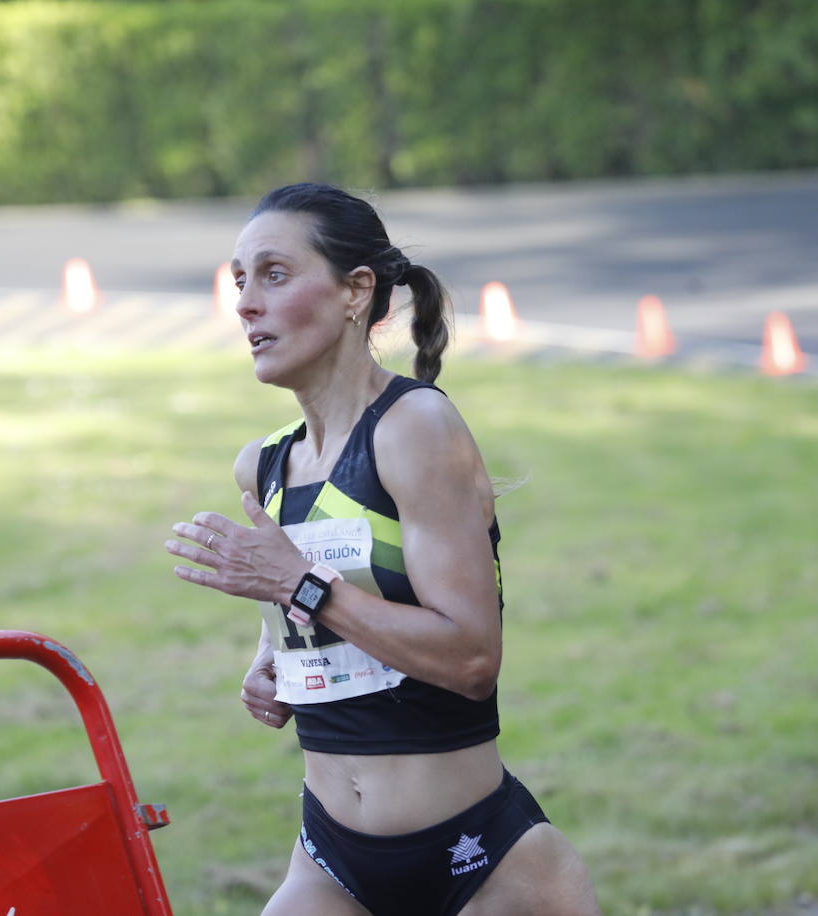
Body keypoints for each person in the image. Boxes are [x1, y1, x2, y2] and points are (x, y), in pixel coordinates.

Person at [165, 183, 601, 916]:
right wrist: (273, 666)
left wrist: (300, 587)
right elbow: (318, 613)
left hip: (480, 861)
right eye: (240, 281)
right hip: (331, 859)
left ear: (355, 292)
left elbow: (469, 660)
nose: (245, 303)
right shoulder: (264, 466)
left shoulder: (414, 428)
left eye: (274, 274)